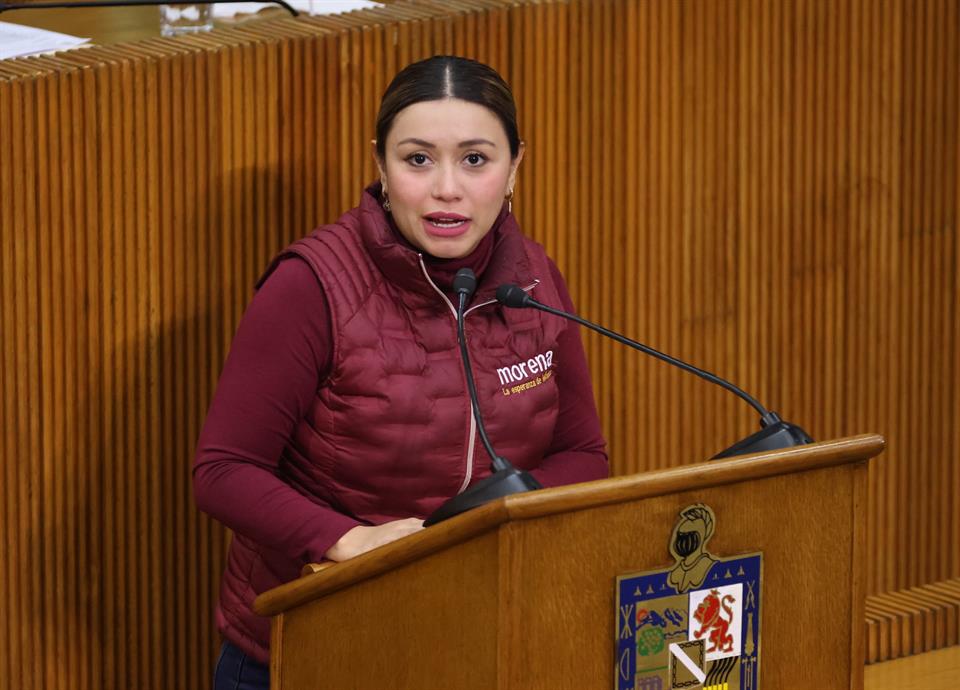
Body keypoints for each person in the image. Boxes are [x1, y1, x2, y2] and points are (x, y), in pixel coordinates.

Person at [194, 55, 608, 690]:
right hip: (317, 643)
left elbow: (582, 454)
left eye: (475, 159)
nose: (447, 188)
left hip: (480, 640)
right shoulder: (312, 285)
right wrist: (346, 539)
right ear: (381, 166)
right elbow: (223, 472)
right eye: (418, 159)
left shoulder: (533, 279)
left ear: (515, 167)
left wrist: (476, 533)